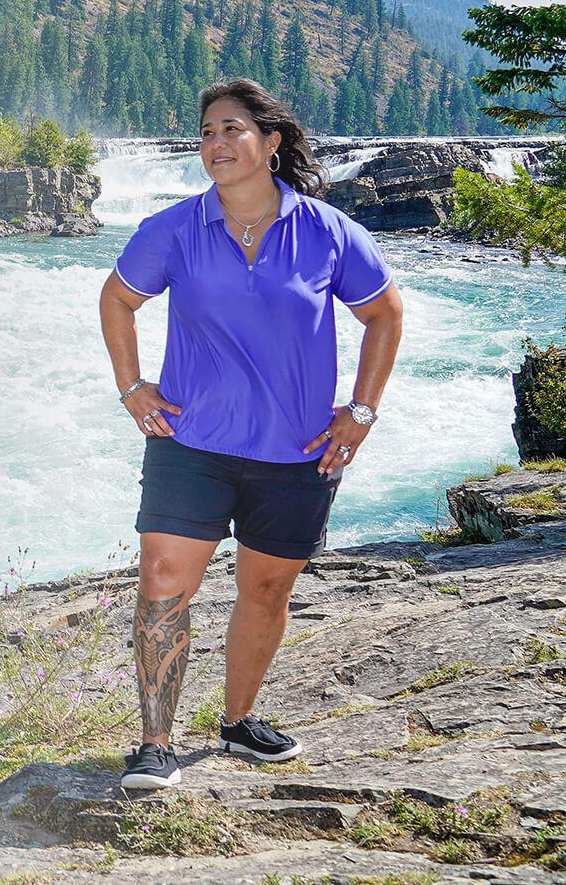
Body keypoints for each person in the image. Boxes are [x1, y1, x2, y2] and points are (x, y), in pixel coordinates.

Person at [97, 77, 405, 790]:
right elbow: (118, 298)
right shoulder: (174, 228)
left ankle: (237, 724)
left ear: (270, 143)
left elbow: (384, 315)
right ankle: (154, 743)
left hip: (296, 453)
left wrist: (361, 411)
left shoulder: (328, 232)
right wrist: (132, 386)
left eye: (231, 129)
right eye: (206, 132)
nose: (215, 144)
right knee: (163, 584)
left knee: (265, 594)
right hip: (189, 444)